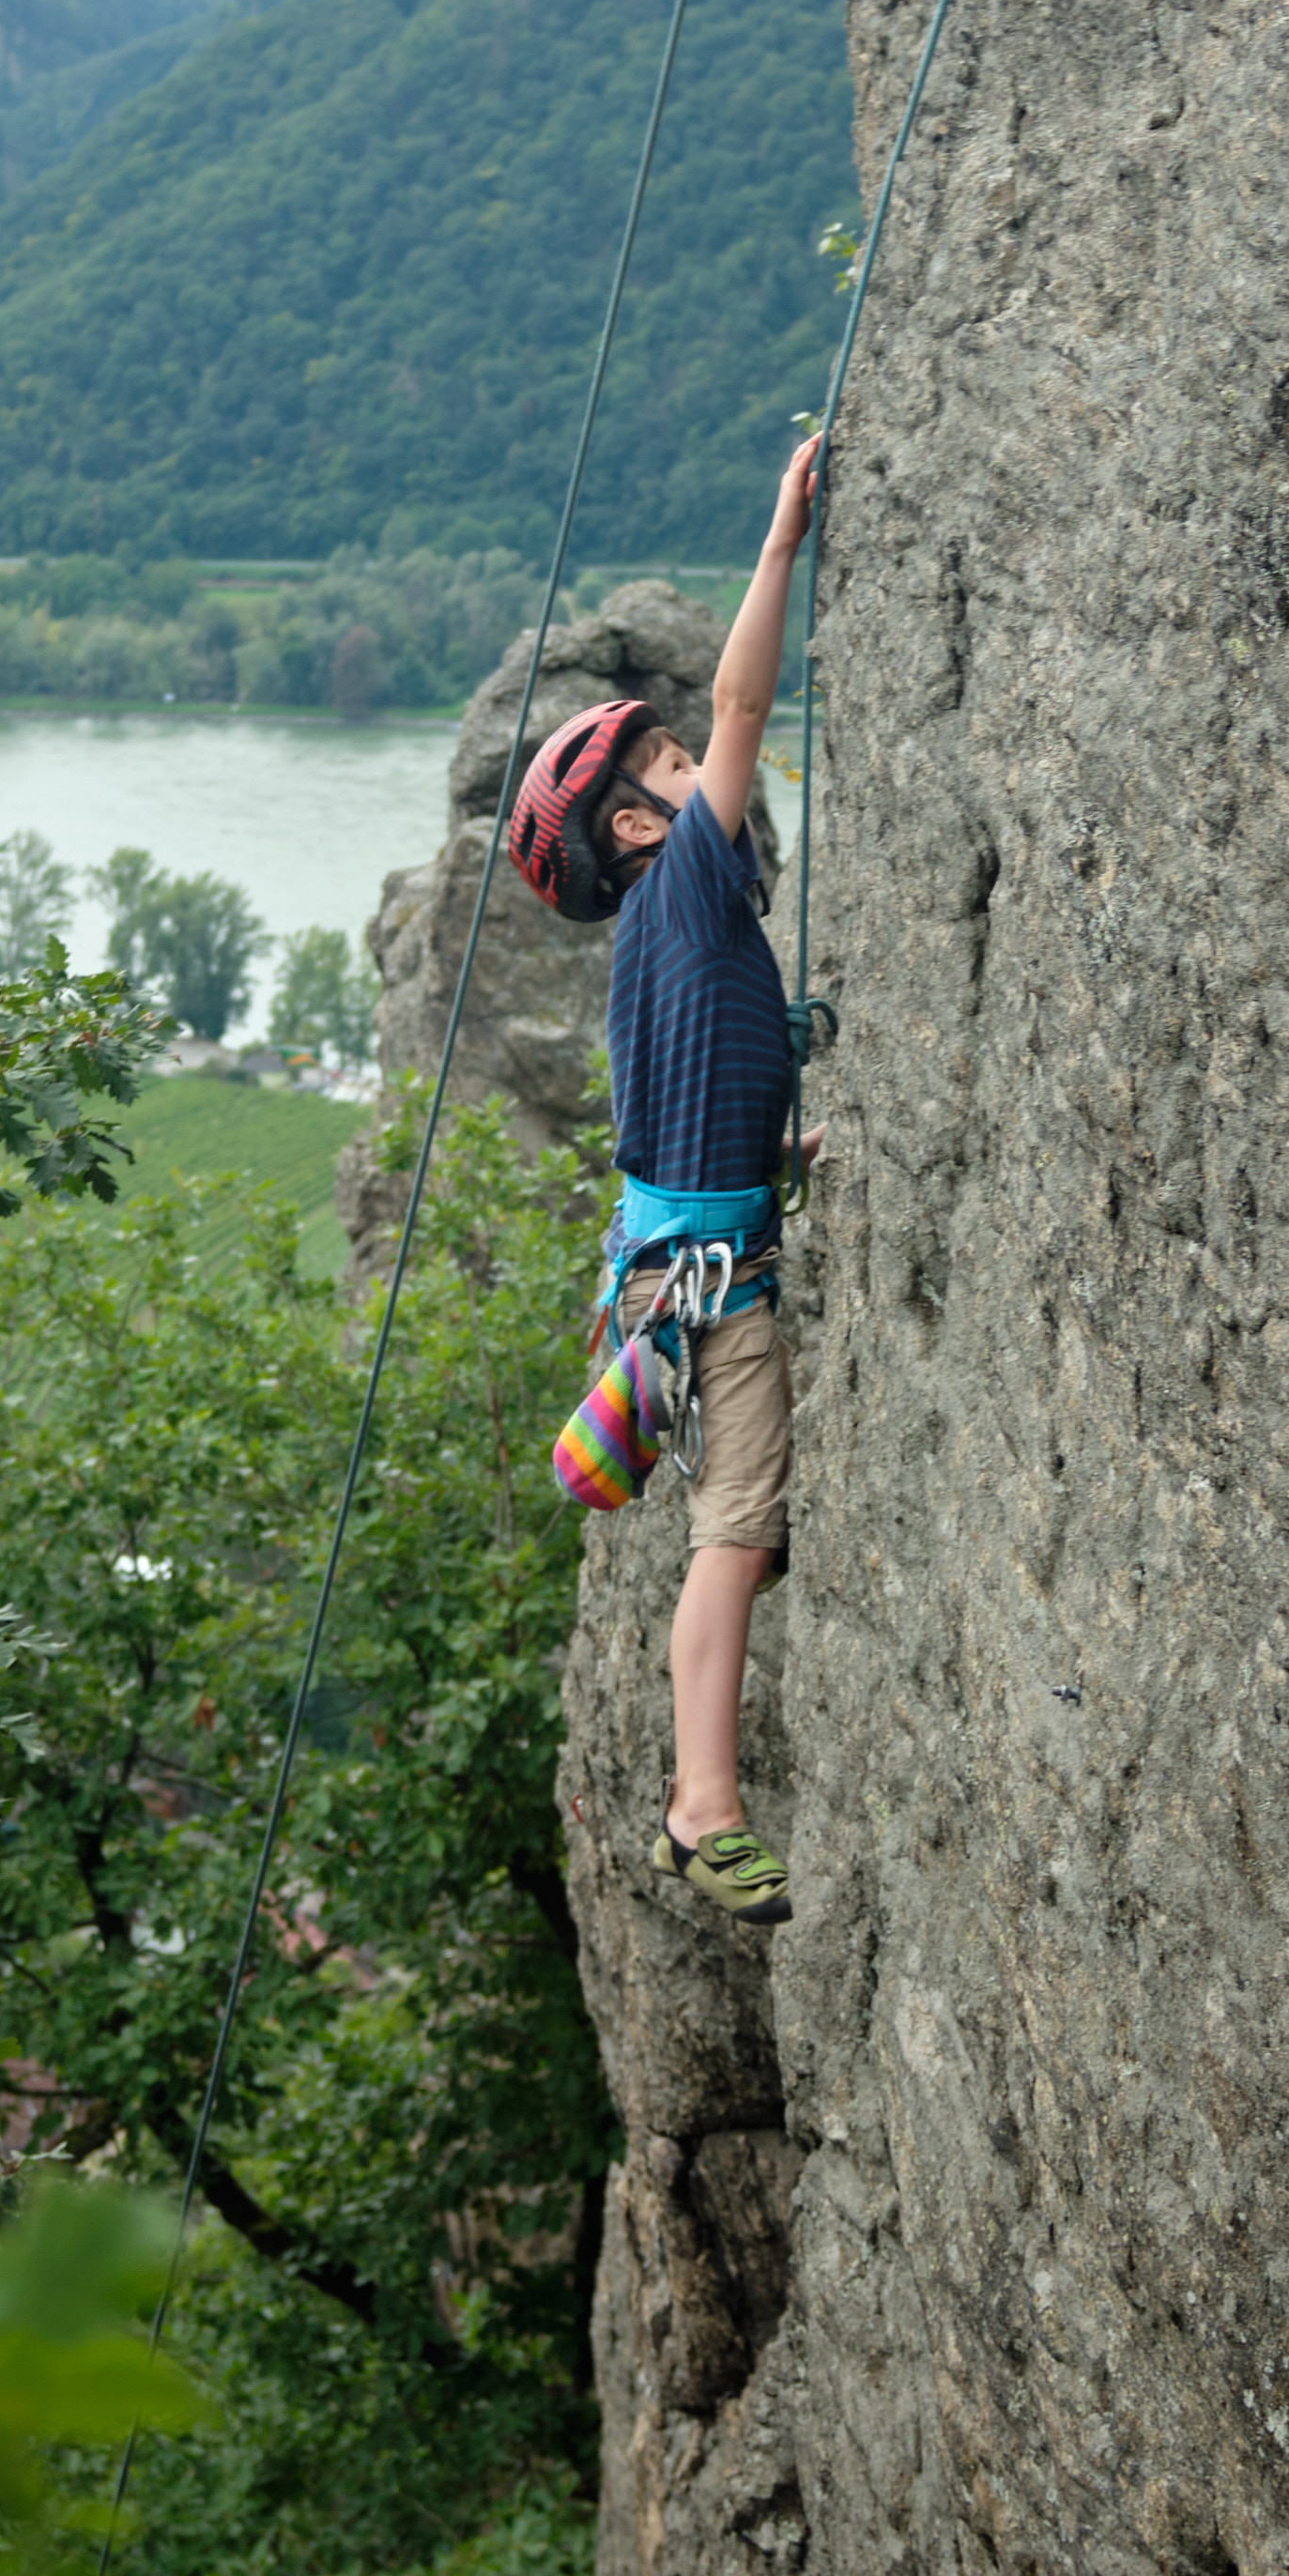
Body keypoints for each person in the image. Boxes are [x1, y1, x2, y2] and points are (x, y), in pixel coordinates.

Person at [500, 436, 823, 1926]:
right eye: (675, 770)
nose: (707, 767)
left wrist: (780, 1161)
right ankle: (702, 1805)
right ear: (638, 826)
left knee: (733, 1529)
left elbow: (698, 1102)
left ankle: (693, 1801)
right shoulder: (687, 881)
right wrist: (778, 545)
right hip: (707, 1282)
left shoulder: (668, 941)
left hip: (669, 1258)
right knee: (737, 1527)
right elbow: (751, 698)